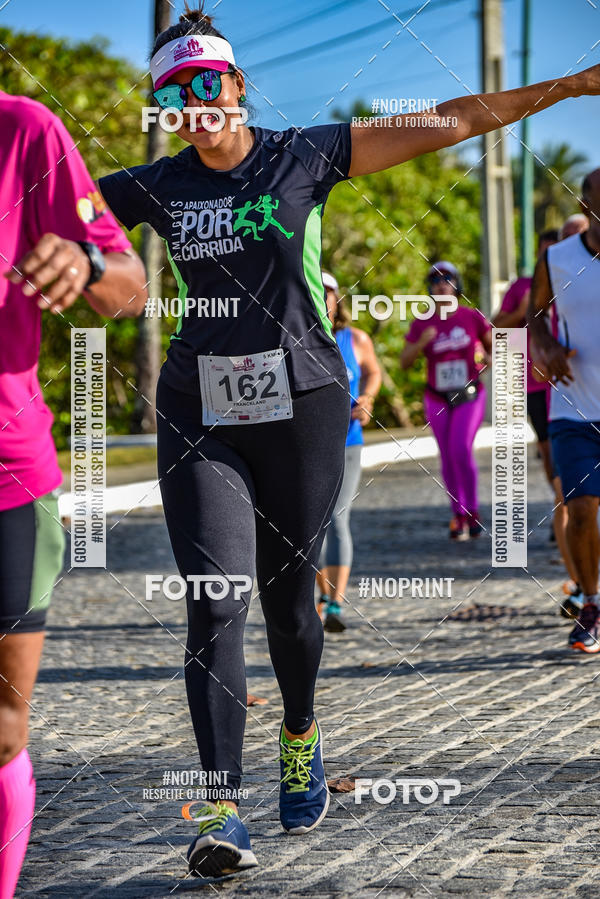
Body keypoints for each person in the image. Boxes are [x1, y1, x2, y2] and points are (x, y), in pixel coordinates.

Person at [97, 0, 600, 877]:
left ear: (238, 87)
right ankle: (220, 808)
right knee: (215, 597)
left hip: (303, 407)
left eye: (207, 83)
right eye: (176, 94)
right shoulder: (156, 185)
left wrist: (570, 85)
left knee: (291, 605)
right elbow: (52, 211)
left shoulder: (307, 155)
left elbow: (450, 120)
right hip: (199, 410)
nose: (195, 104)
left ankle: (300, 731)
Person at [0, 93, 147, 899]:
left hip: (7, 475)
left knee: (0, 728)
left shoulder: (24, 133)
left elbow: (132, 288)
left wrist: (86, 265)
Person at [528, 169, 600, 653]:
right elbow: (533, 315)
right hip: (573, 406)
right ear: (586, 200)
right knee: (578, 508)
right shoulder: (555, 259)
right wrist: (546, 345)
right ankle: (592, 603)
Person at [492, 230, 580, 610]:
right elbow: (499, 327)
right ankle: (580, 581)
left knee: (573, 492)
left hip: (580, 388)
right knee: (562, 488)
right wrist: (525, 309)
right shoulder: (524, 286)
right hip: (537, 388)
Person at [401, 263, 492, 540]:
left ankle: (473, 511)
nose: (442, 284)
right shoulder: (422, 322)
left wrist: (488, 359)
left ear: (456, 284)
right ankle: (458, 515)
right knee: (447, 455)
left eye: (447, 279)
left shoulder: (471, 316)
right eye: (435, 280)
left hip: (469, 394)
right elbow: (404, 362)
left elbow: (494, 346)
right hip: (436, 396)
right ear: (430, 288)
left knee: (461, 448)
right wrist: (420, 343)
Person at [315, 273, 381, 633]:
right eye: (316, 289)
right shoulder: (295, 335)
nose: (323, 297)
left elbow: (373, 372)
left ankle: (335, 602)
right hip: (305, 446)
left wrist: (367, 398)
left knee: (337, 518)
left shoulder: (354, 339)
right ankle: (320, 596)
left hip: (348, 442)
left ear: (338, 298)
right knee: (310, 525)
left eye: (328, 292)